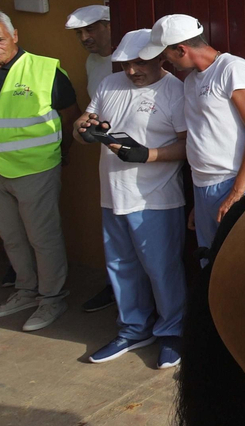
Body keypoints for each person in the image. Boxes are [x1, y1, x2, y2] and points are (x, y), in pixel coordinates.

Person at [72, 29, 188, 369]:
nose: (132, 71)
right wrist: (83, 129)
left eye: (140, 63)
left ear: (161, 58)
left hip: (155, 197)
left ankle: (171, 332)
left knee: (162, 269)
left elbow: (187, 145)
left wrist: (148, 155)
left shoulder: (174, 91)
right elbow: (82, 123)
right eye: (126, 64)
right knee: (120, 267)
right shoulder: (110, 85)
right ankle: (133, 329)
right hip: (111, 194)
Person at [0, 9, 79, 332]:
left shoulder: (45, 69)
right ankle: (26, 291)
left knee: (43, 237)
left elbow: (70, 117)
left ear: (15, 35)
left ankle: (52, 297)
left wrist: (60, 154)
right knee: (11, 237)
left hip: (36, 168)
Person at [141, 14, 245, 251]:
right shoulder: (191, 81)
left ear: (181, 49)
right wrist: (200, 202)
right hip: (205, 186)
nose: (164, 60)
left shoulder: (233, 69)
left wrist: (236, 193)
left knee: (239, 262)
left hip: (237, 181)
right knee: (211, 263)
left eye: (165, 54)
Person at [65, 4, 119, 314]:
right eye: (79, 33)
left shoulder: (129, 60)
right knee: (113, 231)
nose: (85, 37)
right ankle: (116, 288)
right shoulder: (92, 62)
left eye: (91, 29)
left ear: (111, 25)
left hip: (146, 159)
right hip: (106, 156)